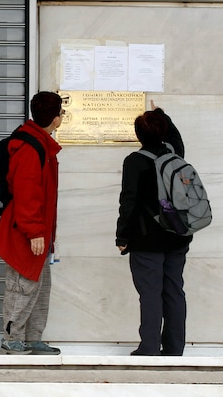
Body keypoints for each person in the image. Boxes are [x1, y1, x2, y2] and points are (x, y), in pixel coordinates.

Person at [115, 101, 189, 356]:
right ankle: (175, 347)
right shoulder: (175, 154)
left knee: (150, 293)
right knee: (174, 291)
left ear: (138, 135)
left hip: (147, 240)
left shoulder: (134, 161)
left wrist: (122, 236)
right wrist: (161, 114)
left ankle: (148, 348)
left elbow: (129, 202)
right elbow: (175, 135)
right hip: (178, 236)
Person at [0, 91, 63, 355]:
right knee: (21, 287)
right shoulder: (30, 148)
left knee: (38, 287)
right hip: (26, 232)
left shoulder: (41, 144)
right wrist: (34, 232)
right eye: (62, 113)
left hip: (38, 232)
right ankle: (12, 340)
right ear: (56, 119)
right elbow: (26, 192)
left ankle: (32, 339)